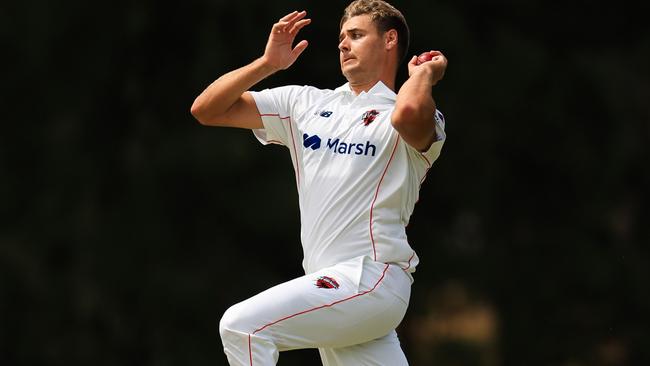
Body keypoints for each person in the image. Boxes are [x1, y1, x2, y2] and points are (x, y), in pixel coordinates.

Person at [190, 1, 447, 364]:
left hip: (370, 279)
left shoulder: (412, 112)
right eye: (342, 37)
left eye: (356, 35)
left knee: (242, 327)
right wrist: (267, 64)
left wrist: (422, 75)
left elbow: (407, 115)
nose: (343, 44)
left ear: (390, 40)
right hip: (335, 292)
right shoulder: (305, 102)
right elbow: (207, 109)